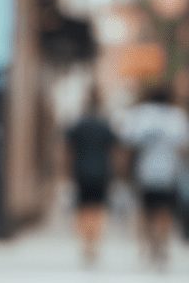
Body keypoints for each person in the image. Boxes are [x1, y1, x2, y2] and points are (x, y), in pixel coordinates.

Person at [121, 84, 189, 267]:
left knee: (145, 210)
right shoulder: (177, 117)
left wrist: (125, 171)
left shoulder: (140, 115)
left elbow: (128, 144)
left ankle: (150, 243)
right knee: (165, 210)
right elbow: (183, 148)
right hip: (169, 173)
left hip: (144, 172)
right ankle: (162, 243)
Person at [64, 85, 117, 265]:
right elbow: (114, 150)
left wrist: (65, 171)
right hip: (102, 171)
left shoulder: (78, 124)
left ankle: (86, 243)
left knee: (83, 207)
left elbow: (67, 149)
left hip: (81, 170)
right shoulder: (105, 124)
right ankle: (94, 241)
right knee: (99, 208)